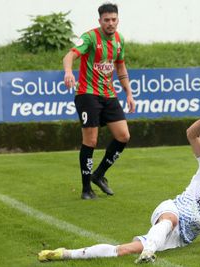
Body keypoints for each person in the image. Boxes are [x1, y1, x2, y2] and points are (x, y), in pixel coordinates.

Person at [38, 106, 200, 263]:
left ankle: (65, 254)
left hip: (182, 238)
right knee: (170, 218)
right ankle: (149, 252)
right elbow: (192, 134)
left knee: (123, 250)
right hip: (171, 210)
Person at [63, 3, 136, 199]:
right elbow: (70, 55)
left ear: (117, 20)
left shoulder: (119, 40)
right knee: (91, 140)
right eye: (106, 20)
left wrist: (129, 93)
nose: (110, 23)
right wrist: (69, 71)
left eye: (113, 19)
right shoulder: (89, 37)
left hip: (109, 94)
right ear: (100, 21)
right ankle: (86, 188)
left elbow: (120, 68)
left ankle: (99, 175)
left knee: (123, 136)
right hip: (87, 94)